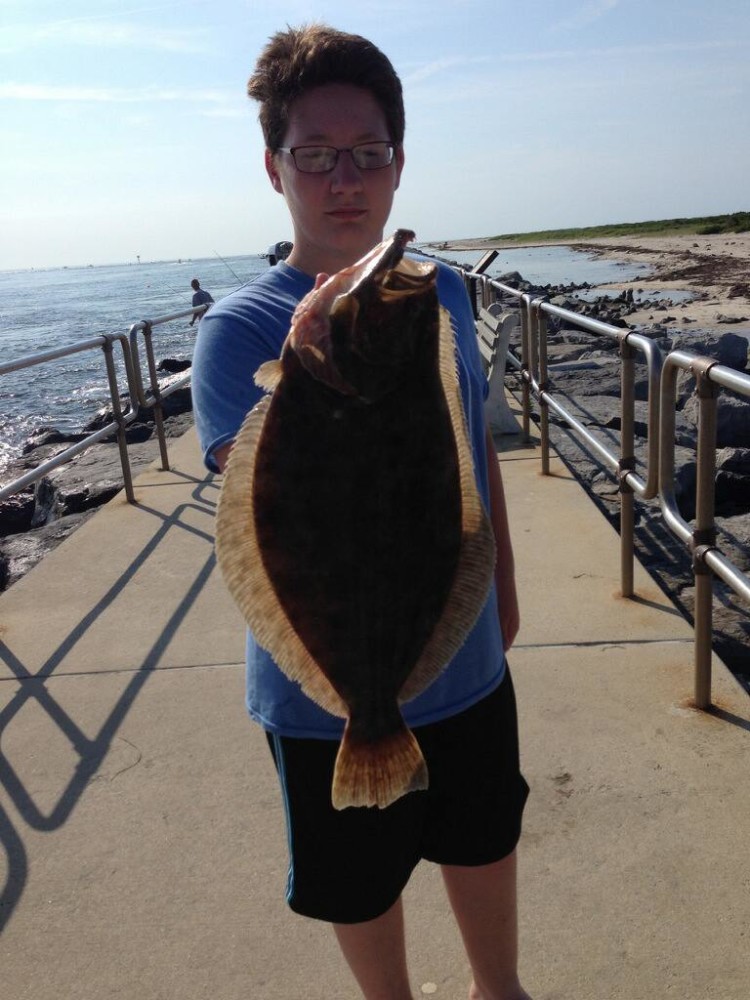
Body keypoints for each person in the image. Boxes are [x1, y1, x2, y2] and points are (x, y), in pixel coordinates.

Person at [192, 24, 531, 1000]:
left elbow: (468, 453)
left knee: (482, 831)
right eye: (317, 154)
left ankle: (496, 987)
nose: (346, 177)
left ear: (397, 162)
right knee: (358, 881)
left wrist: (501, 585)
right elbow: (275, 499)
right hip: (323, 691)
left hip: (460, 652)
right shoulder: (242, 329)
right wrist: (309, 365)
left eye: (369, 153)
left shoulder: (442, 293)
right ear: (275, 167)